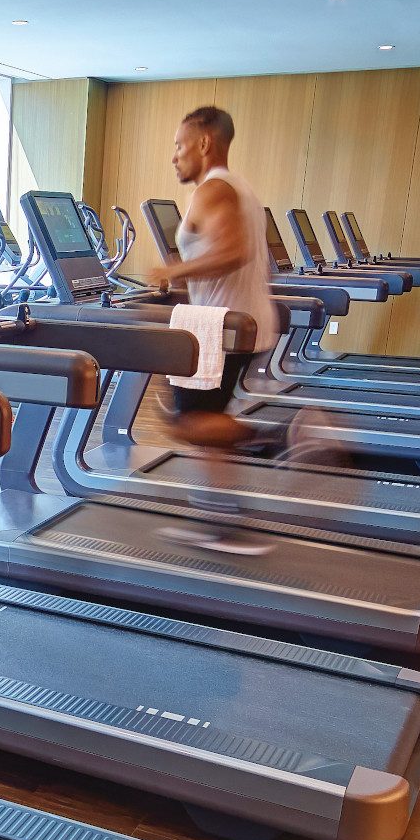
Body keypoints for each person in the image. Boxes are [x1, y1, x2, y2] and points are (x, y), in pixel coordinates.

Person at [143, 105, 285, 554]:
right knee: (203, 428)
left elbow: (235, 251)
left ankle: (280, 435)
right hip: (234, 323)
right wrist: (184, 275)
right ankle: (220, 523)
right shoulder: (236, 189)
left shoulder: (214, 189)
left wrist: (170, 272)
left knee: (188, 422)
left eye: (179, 145)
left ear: (204, 143)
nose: (174, 156)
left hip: (223, 329)